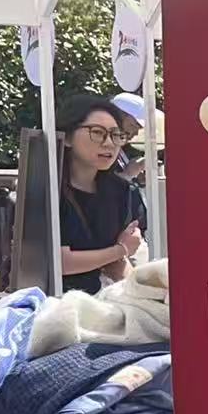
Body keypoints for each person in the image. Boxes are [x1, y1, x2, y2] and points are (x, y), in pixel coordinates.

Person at [55, 94, 145, 294]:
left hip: (101, 299)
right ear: (67, 137)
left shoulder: (120, 191)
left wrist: (143, 295)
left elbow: (116, 264)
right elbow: (58, 262)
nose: (109, 143)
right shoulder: (47, 188)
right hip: (52, 301)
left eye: (116, 135)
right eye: (97, 132)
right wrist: (120, 250)